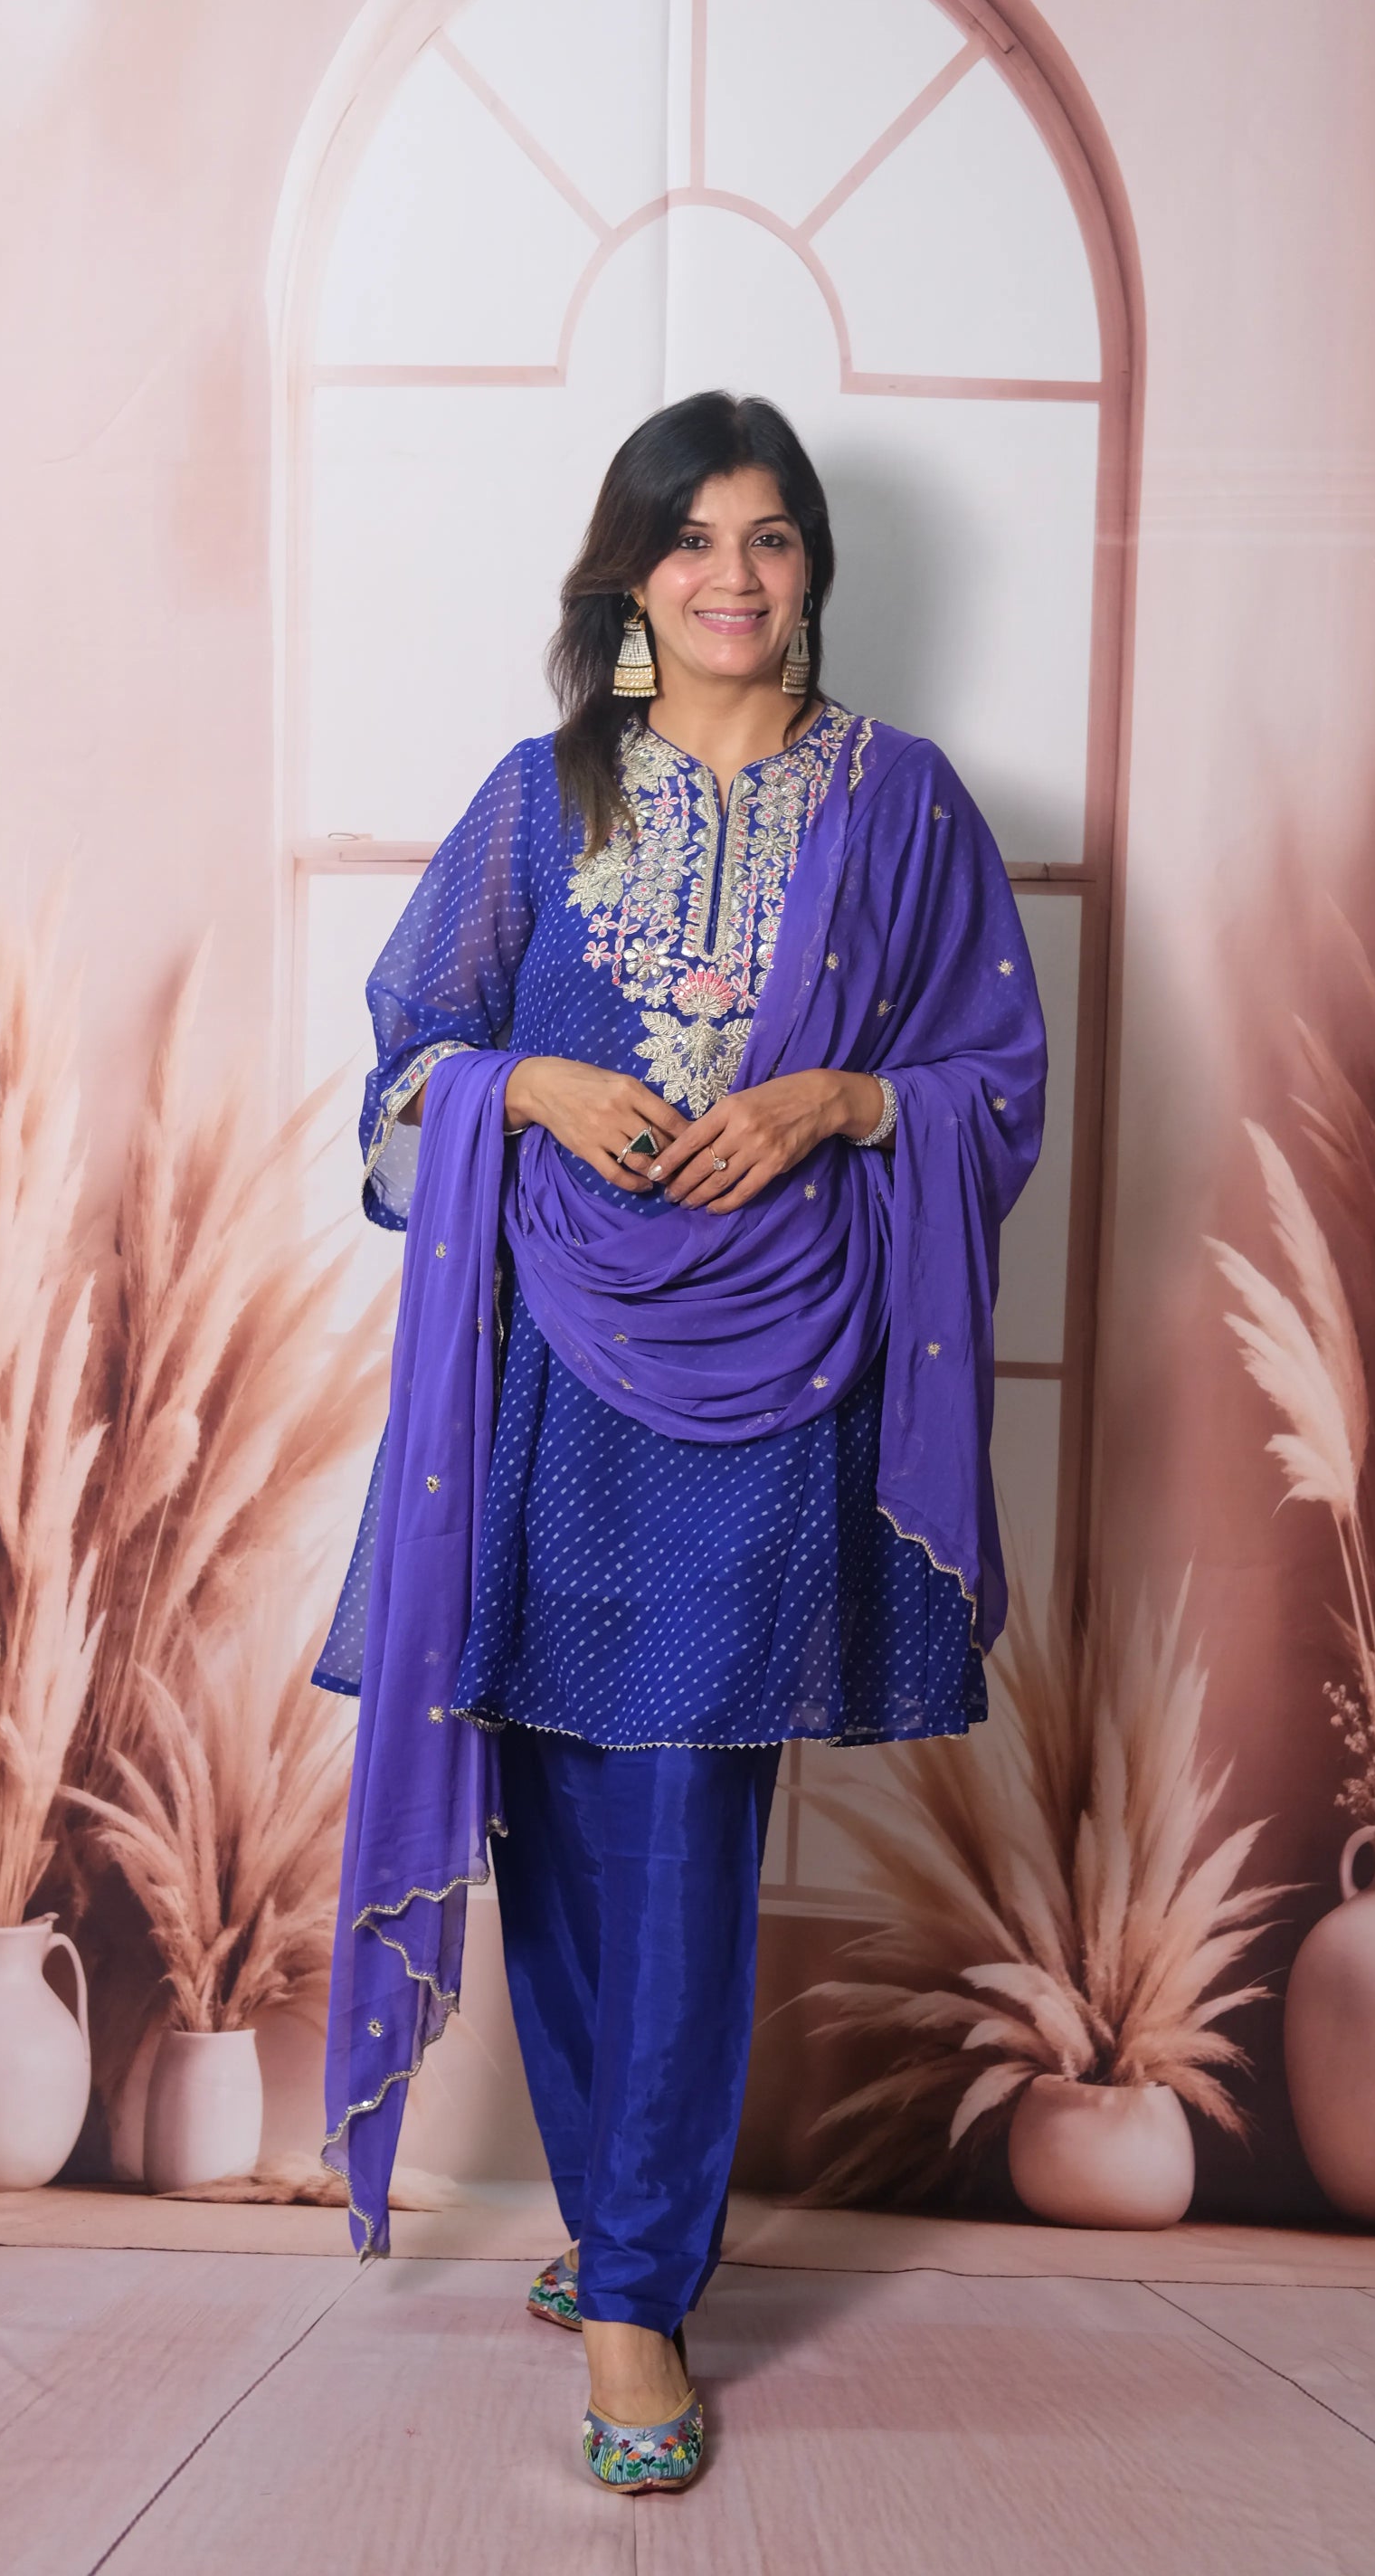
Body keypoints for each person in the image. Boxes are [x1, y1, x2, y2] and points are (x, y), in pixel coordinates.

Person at [318, 391, 1048, 2492]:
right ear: (626, 579)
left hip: (769, 1383)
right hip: (542, 1367)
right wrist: (520, 1093)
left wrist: (832, 1102)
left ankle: (634, 2300)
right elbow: (395, 1076)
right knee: (547, 1802)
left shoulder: (898, 809)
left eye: (772, 540)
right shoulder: (542, 802)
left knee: (681, 1836)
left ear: (813, 570)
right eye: (691, 542)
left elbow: (990, 1085)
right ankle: (624, 2221)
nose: (734, 578)